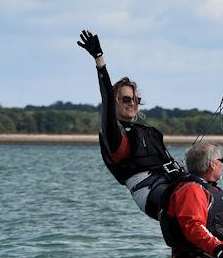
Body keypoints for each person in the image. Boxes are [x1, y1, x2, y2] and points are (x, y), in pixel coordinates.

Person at [77, 29, 182, 220]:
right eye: (126, 99)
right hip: (149, 192)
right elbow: (107, 96)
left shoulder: (149, 132)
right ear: (115, 102)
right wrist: (99, 60)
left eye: (135, 99)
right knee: (187, 199)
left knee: (210, 186)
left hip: (171, 183)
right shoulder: (114, 134)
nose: (132, 103)